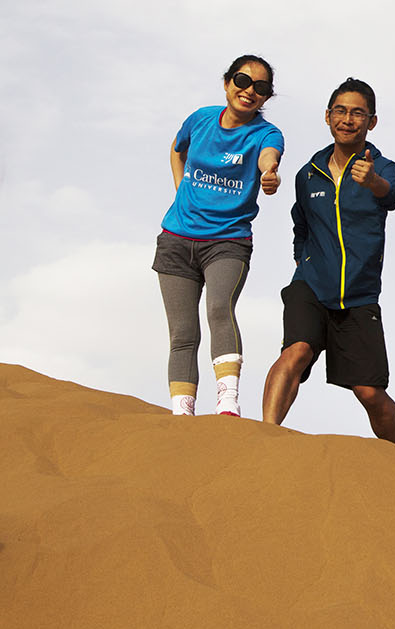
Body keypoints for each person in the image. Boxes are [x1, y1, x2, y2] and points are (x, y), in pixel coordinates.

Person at [261, 78, 395, 442]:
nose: (348, 119)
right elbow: (301, 226)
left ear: (371, 122)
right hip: (311, 284)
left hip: (359, 295)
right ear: (327, 117)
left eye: (358, 113)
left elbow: (393, 196)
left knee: (369, 392)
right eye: (340, 111)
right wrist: (301, 265)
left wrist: (372, 181)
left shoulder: (383, 167)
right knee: (297, 351)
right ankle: (263, 439)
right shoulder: (308, 174)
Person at [153, 54, 283, 417]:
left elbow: (268, 157)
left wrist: (269, 172)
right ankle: (183, 412)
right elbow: (177, 150)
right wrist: (181, 190)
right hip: (176, 239)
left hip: (227, 241)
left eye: (261, 88)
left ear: (266, 97)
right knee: (182, 333)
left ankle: (228, 402)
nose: (249, 91)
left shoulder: (265, 134)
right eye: (242, 81)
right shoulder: (200, 119)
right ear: (227, 83)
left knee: (218, 308)